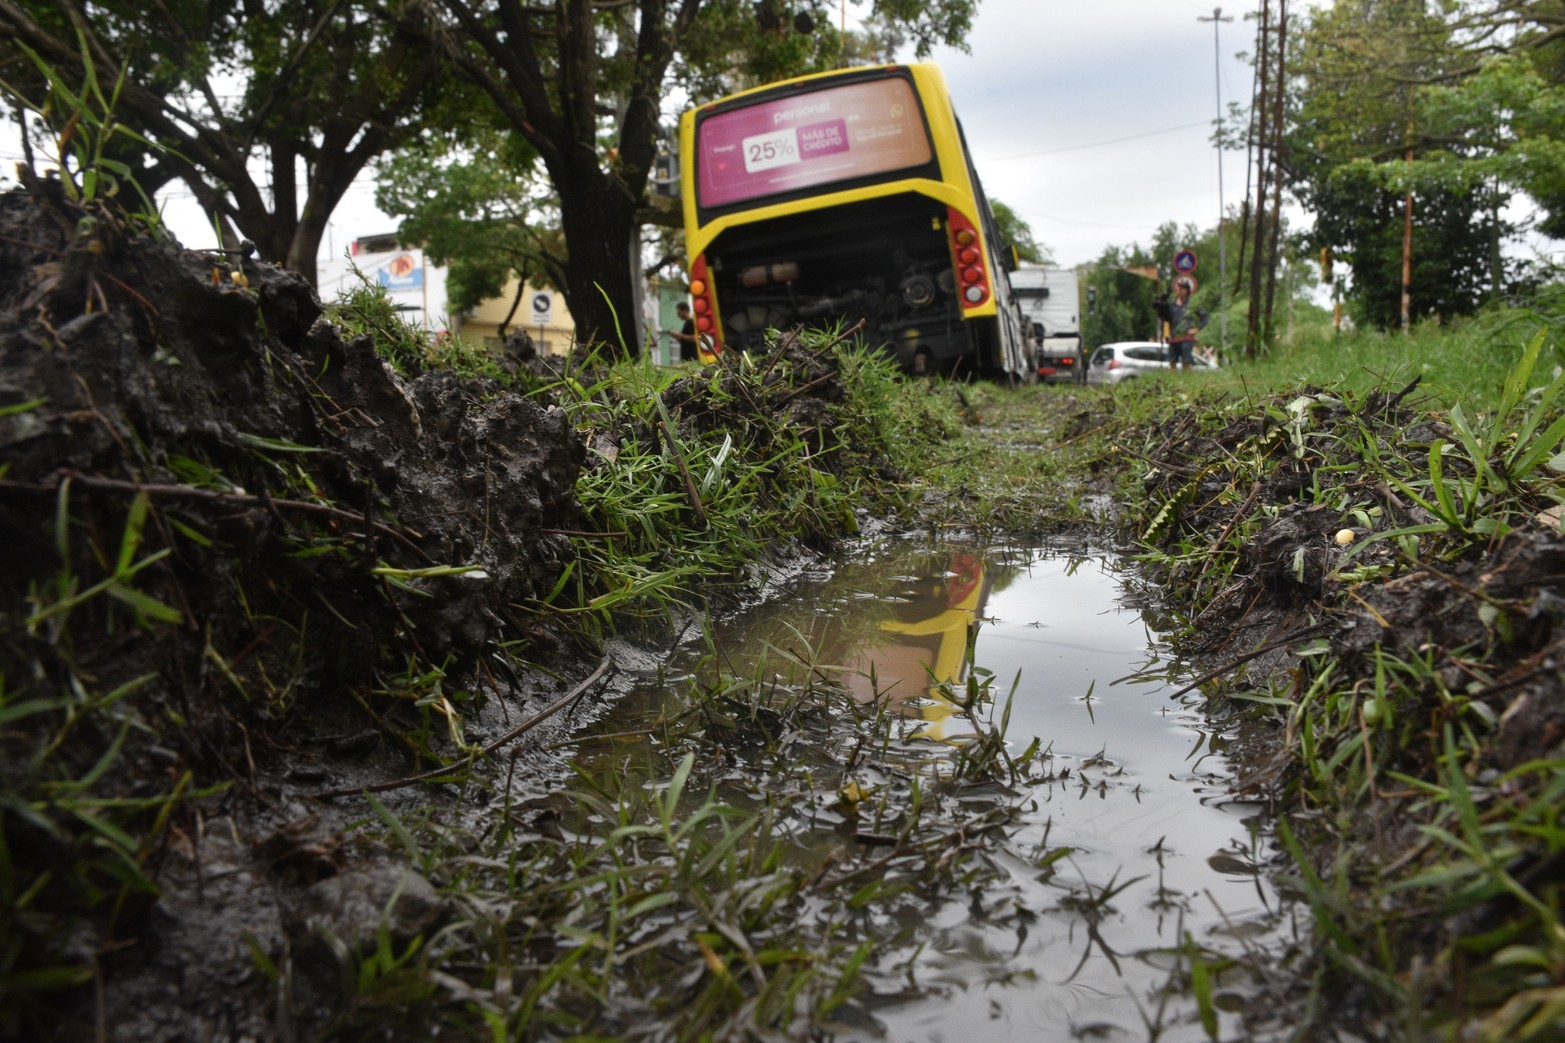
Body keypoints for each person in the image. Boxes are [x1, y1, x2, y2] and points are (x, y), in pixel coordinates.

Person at [1164, 278, 1200, 370]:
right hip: (1174, 337)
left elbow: (1204, 317)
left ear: (1187, 290)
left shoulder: (1192, 304)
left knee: (1186, 361)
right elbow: (1166, 319)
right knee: (1172, 361)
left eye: (1183, 288)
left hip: (1187, 337)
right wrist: (1166, 333)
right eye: (1179, 288)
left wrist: (1197, 329)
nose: (1180, 290)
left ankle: (1188, 381)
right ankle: (1173, 381)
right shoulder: (1171, 305)